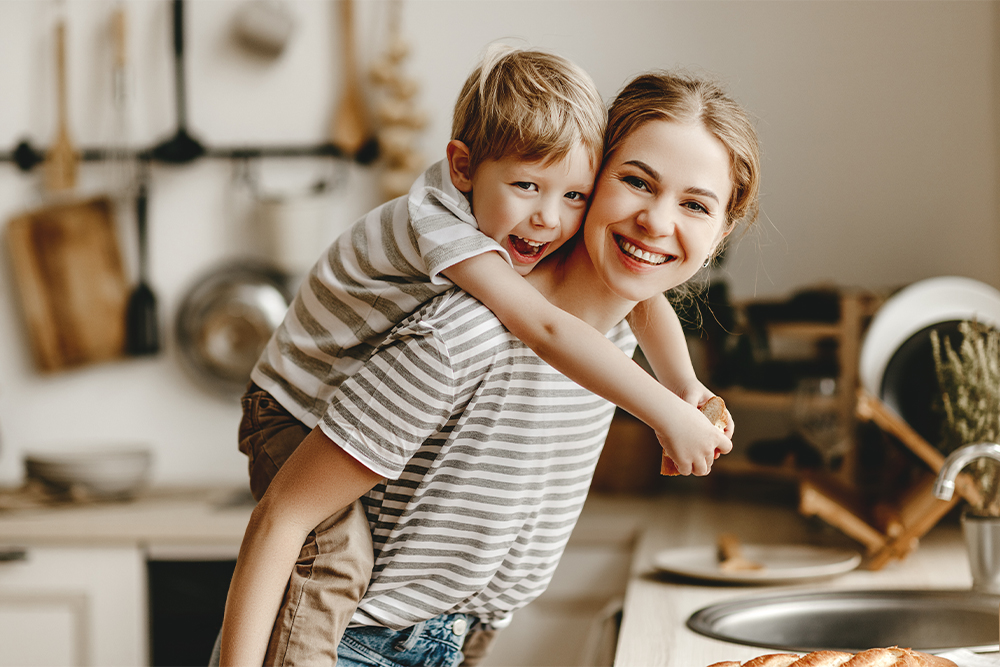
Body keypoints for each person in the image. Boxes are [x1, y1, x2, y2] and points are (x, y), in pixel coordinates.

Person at [219, 68, 761, 667]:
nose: (657, 222)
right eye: (636, 182)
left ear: (723, 231)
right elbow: (285, 517)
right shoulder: (468, 331)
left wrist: (685, 391)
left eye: (694, 204)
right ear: (598, 175)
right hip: (352, 644)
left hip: (455, 639)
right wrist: (665, 413)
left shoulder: (614, 341)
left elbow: (635, 311)